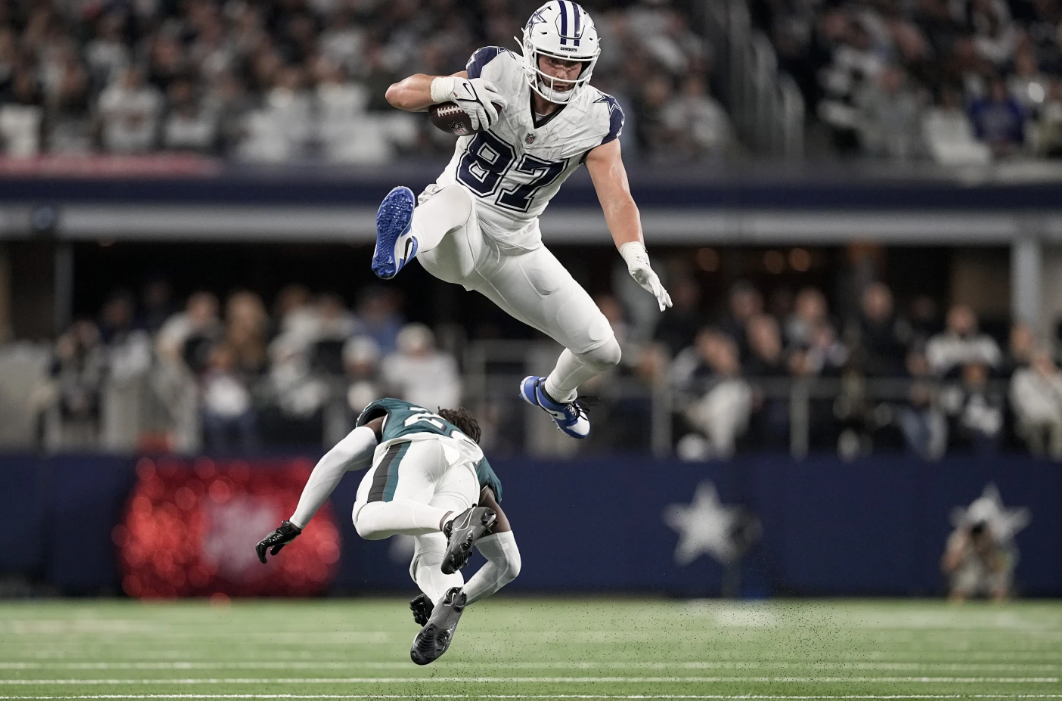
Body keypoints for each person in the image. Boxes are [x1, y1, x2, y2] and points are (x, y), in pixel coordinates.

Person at [372, 1, 672, 440]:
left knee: (604, 350)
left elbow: (617, 196)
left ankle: (554, 394)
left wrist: (635, 254)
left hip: (517, 247)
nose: (562, 73)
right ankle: (402, 241)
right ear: (530, 52)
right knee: (456, 199)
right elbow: (397, 93)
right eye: (553, 60)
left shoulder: (596, 116)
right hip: (451, 233)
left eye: (572, 64)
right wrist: (450, 89)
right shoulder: (498, 70)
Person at [254, 398, 519, 666]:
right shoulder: (477, 458)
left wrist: (295, 523)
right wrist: (448, 600)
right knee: (431, 560)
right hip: (467, 476)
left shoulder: (404, 416)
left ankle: (451, 522)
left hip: (417, 447)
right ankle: (445, 596)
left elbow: (338, 457)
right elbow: (509, 564)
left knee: (367, 518)